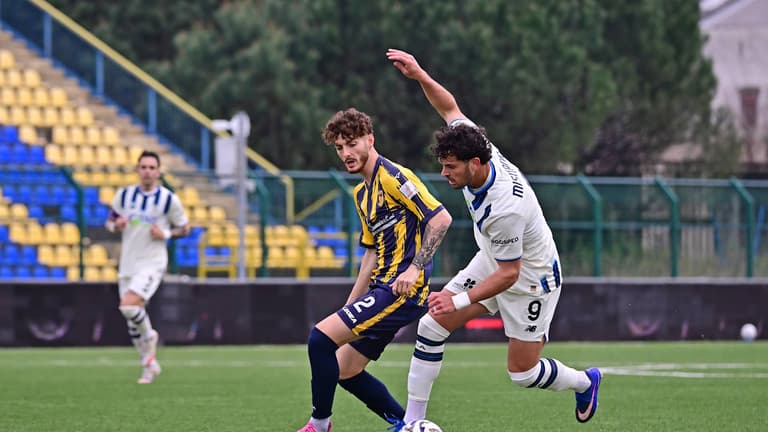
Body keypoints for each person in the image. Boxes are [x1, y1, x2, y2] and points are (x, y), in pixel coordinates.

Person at [386, 48, 602, 426]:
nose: (445, 174)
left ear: (475, 164)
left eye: (450, 168)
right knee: (430, 326)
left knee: (522, 373)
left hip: (531, 278)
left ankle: (585, 381)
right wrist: (420, 75)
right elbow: (449, 108)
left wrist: (461, 300)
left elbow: (509, 275)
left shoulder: (504, 209)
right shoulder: (474, 147)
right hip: (497, 258)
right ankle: (411, 422)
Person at [296, 108, 453, 432]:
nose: (346, 154)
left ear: (370, 139)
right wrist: (350, 305)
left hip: (403, 291)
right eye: (339, 148)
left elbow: (440, 219)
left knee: (318, 340)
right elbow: (370, 255)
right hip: (382, 289)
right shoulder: (361, 193)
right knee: (346, 369)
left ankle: (320, 424)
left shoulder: (395, 177)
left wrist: (413, 270)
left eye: (351, 144)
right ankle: (407, 425)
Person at [105, 150, 190, 384]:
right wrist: (116, 225)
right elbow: (110, 221)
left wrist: (165, 233)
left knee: (129, 306)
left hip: (152, 262)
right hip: (128, 262)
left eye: (152, 168)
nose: (148, 171)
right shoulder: (124, 196)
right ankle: (148, 364)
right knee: (132, 318)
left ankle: (151, 337)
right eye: (144, 167)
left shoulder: (168, 199)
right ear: (137, 170)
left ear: (159, 172)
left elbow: (184, 228)